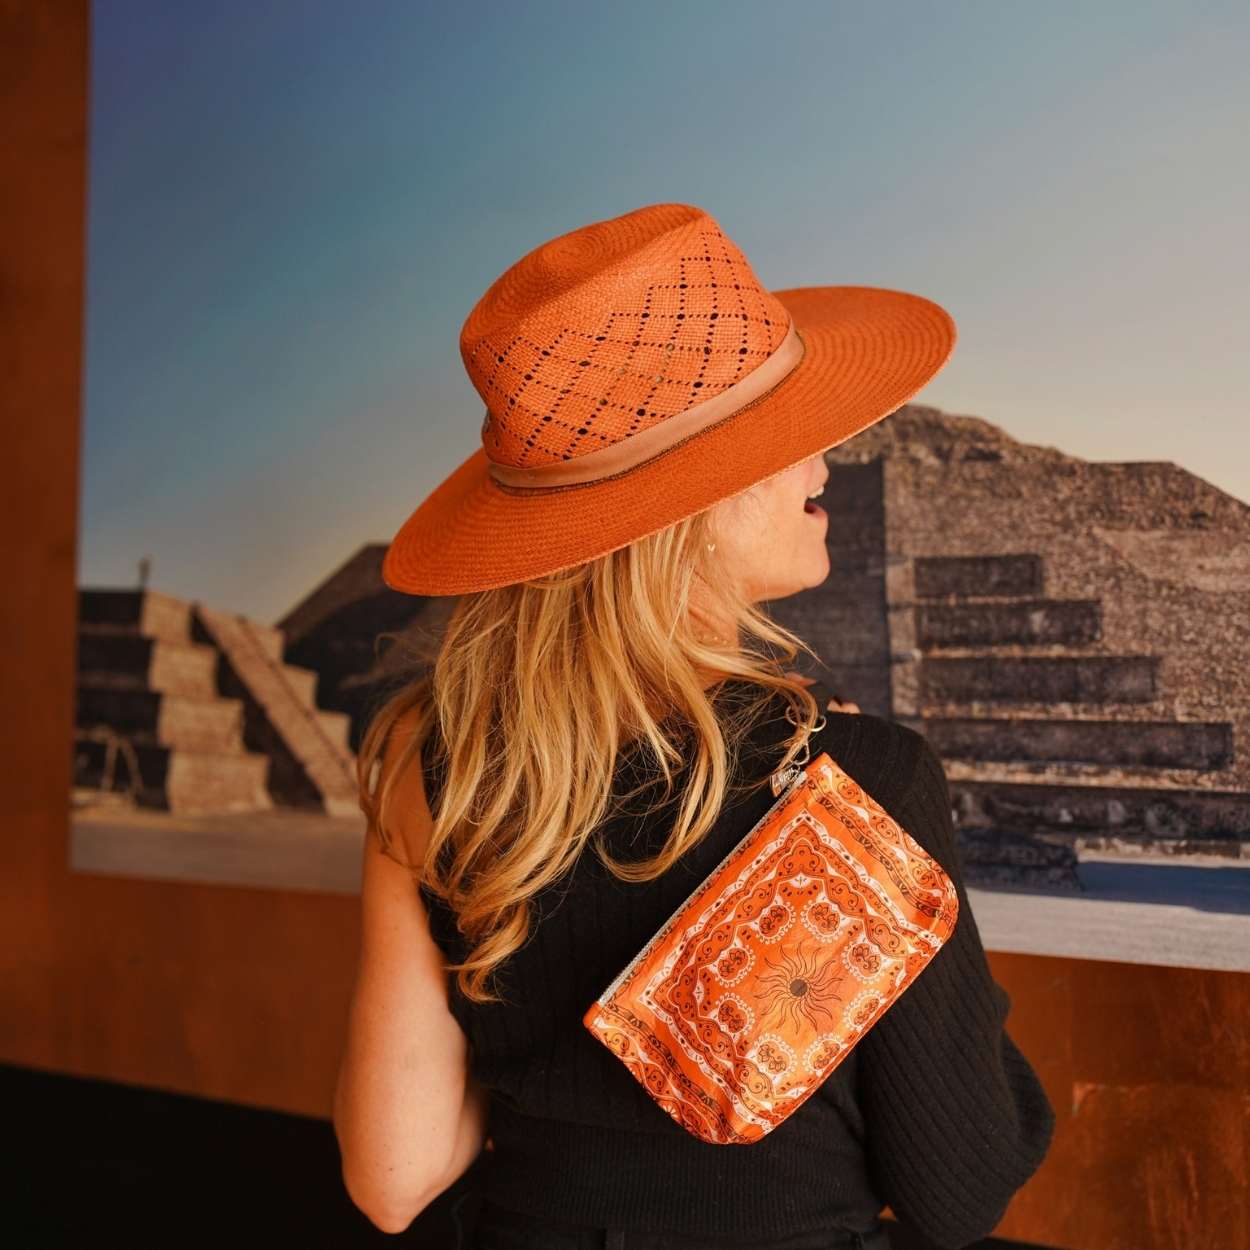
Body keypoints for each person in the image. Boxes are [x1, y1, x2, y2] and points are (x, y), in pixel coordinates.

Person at [332, 203, 1055, 1250]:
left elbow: (394, 1178)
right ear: (689, 504)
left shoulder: (429, 762)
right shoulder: (857, 782)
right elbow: (960, 1189)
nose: (824, 467)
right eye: (789, 437)